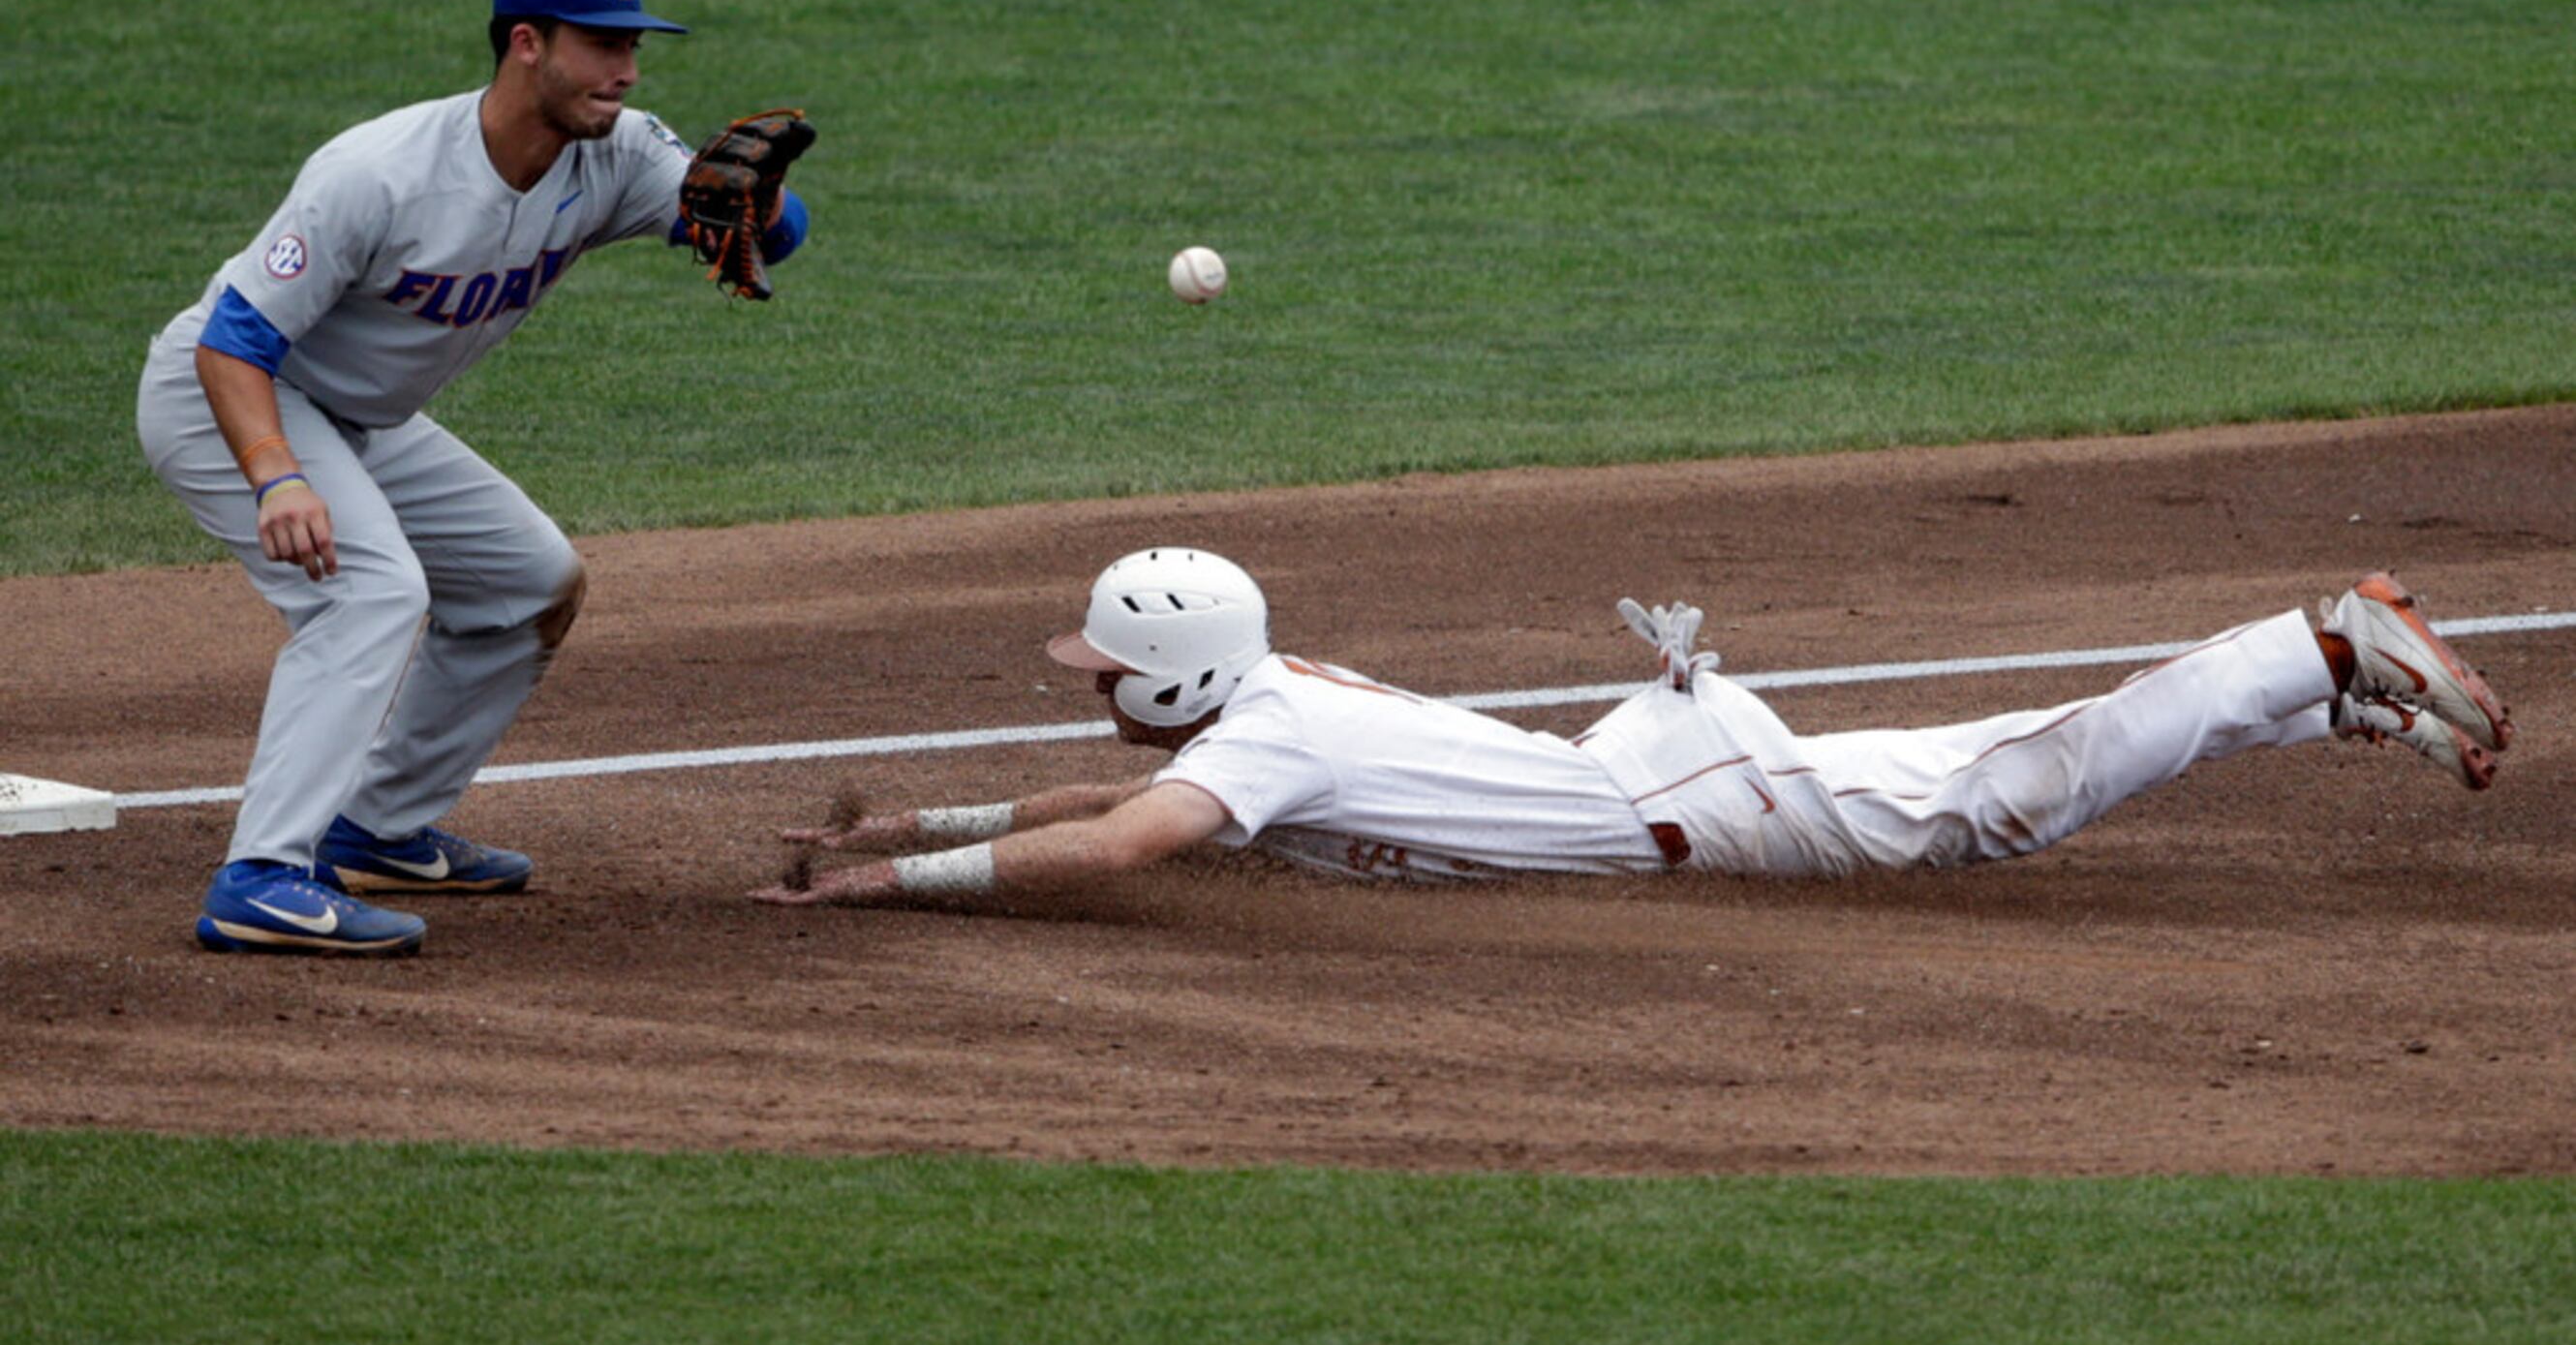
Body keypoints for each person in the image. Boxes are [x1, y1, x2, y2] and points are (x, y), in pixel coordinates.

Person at [139, 0, 813, 957]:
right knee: (372, 591)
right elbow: (235, 341)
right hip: (232, 395)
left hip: (363, 419)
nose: (626, 69)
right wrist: (277, 479)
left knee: (527, 583)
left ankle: (375, 827)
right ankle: (262, 875)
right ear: (528, 44)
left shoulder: (617, 153)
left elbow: (754, 228)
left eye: (635, 44)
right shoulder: (378, 172)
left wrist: (764, 210)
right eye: (602, 43)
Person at [755, 547, 2512, 908]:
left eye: (1105, 672)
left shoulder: (1255, 750)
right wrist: (912, 817)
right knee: (2008, 772)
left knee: (2013, 795)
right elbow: (1118, 787)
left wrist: (898, 889)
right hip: (1656, 757)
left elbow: (1133, 835)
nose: (1092, 691)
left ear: (1179, 676)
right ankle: (2320, 684)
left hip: (1712, 794)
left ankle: (2316, 641)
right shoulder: (1269, 707)